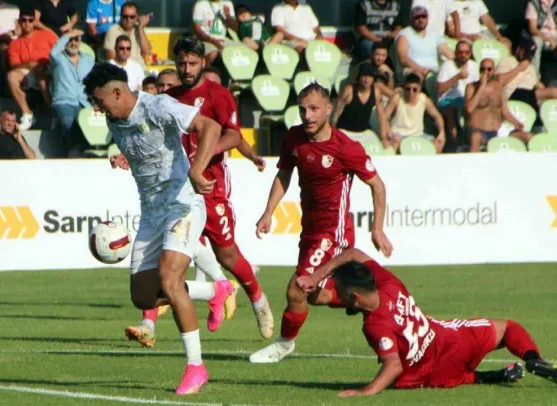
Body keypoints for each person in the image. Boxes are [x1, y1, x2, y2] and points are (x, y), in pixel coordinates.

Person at [82, 62, 225, 395]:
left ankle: (195, 368)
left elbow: (211, 127)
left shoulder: (158, 106)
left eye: (99, 100)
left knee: (170, 280)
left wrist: (197, 170)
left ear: (117, 92)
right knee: (142, 296)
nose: (97, 108)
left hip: (182, 205)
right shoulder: (113, 120)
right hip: (151, 214)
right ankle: (214, 291)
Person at [295, 248, 557, 396]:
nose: (339, 297)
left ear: (355, 297)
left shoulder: (374, 325)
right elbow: (354, 254)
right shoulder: (389, 283)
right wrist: (319, 276)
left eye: (342, 293)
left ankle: (485, 377)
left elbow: (394, 366)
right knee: (507, 328)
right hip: (448, 341)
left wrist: (365, 392)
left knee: (431, 377)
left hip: (427, 376)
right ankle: (533, 359)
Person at [249, 83, 393, 364]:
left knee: (297, 288)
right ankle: (371, 299)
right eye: (303, 109)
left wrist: (377, 228)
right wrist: (268, 212)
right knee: (314, 296)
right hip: (310, 230)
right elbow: (284, 175)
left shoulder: (345, 148)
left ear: (328, 109)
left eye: (314, 109)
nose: (308, 115)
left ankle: (283, 344)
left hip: (332, 233)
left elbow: (377, 185)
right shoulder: (295, 138)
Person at [166, 37, 273, 340]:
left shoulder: (218, 95)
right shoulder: (170, 98)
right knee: (169, 257)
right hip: (179, 189)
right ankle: (151, 323)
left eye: (192, 63)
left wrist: (204, 153)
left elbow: (234, 136)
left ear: (203, 62)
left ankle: (258, 301)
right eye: (182, 63)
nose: (187, 69)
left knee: (227, 256)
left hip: (211, 187)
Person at [464, 58, 533, 152]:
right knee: (475, 137)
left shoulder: (498, 87)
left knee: (528, 137)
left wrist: (517, 124)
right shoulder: (471, 87)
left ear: (494, 70)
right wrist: (482, 86)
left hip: (499, 131)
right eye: (482, 69)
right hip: (479, 131)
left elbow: (504, 111)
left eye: (489, 69)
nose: (485, 72)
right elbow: (469, 109)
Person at [7, 5, 58, 130]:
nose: (27, 23)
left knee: (41, 77)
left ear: (35, 21)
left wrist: (46, 65)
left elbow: (60, 50)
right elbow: (14, 64)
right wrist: (29, 65)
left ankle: (56, 115)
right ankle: (27, 114)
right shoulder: (14, 43)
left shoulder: (47, 35)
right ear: (19, 22)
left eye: (30, 20)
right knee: (11, 76)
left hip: (48, 70)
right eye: (24, 20)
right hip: (29, 72)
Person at [51, 29, 94, 157]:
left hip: (84, 102)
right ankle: (71, 154)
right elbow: (53, 51)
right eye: (70, 40)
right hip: (64, 102)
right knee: (68, 124)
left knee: (89, 127)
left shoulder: (88, 59)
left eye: (76, 40)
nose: (73, 43)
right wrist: (68, 34)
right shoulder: (58, 58)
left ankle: (83, 154)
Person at [384, 73, 446, 153]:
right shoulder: (397, 98)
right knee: (394, 143)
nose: (411, 92)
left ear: (419, 89)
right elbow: (384, 117)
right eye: (408, 89)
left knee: (437, 144)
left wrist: (441, 132)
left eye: (414, 89)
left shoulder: (424, 99)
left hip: (418, 135)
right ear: (404, 88)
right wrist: (390, 133)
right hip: (399, 135)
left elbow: (437, 116)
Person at [436, 39, 479, 147]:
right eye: (460, 52)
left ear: (470, 53)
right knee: (452, 111)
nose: (463, 55)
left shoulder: (474, 66)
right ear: (455, 53)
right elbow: (439, 89)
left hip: (467, 98)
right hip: (448, 99)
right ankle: (456, 144)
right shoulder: (447, 66)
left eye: (466, 52)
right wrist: (457, 77)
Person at [333, 63, 389, 143]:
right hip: (345, 132)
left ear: (373, 79)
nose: (366, 79)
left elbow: (381, 116)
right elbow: (336, 114)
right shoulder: (349, 91)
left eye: (370, 76)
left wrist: (383, 138)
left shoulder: (376, 92)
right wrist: (333, 134)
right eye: (364, 76)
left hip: (363, 133)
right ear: (359, 77)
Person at [396, 5, 454, 79]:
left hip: (433, 71)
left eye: (423, 16)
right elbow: (404, 59)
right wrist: (423, 70)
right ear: (411, 19)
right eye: (417, 17)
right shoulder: (404, 34)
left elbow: (449, 53)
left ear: (427, 18)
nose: (421, 19)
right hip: (413, 71)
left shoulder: (434, 34)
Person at [526, 0, 557, 73]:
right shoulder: (533, 3)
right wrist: (549, 40)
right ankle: (534, 75)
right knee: (535, 42)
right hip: (541, 35)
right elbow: (533, 29)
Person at [192, 0, 239, 65]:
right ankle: (204, 70)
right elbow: (197, 29)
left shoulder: (227, 3)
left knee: (243, 49)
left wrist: (228, 16)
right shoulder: (201, 4)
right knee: (213, 53)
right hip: (204, 39)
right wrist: (213, 41)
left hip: (222, 39)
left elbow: (235, 28)